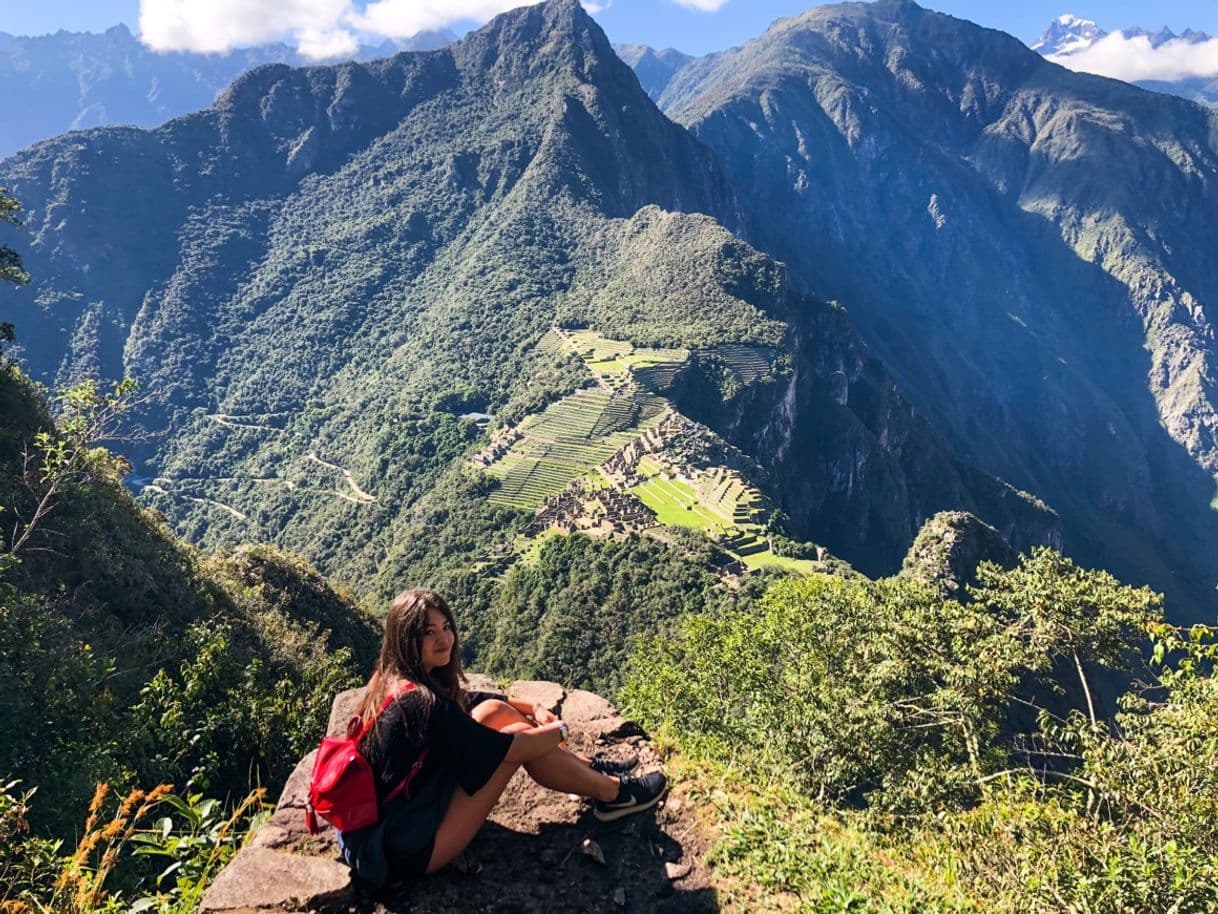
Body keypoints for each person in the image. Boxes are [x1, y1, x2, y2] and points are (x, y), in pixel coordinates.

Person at [337, 588, 667, 888]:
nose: (444, 640)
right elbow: (512, 748)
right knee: (516, 736)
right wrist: (560, 730)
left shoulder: (392, 676)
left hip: (399, 811)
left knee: (495, 710)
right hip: (402, 846)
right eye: (428, 632)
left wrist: (532, 707)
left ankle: (590, 772)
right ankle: (614, 794)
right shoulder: (421, 704)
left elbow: (470, 702)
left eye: (446, 627)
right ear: (406, 638)